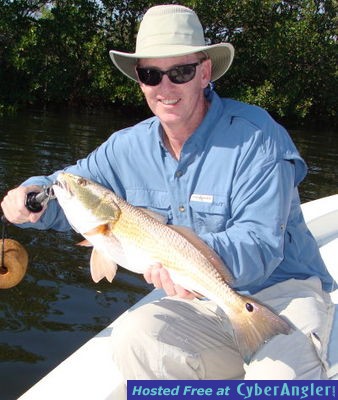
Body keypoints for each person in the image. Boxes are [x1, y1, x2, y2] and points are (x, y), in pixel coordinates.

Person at [1, 3, 336, 388]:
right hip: (199, 301)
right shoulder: (126, 147)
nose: (165, 87)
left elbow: (259, 246)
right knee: (136, 338)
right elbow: (67, 185)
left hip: (282, 292)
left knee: (282, 383)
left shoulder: (258, 138)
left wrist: (190, 264)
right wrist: (31, 195)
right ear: (140, 80)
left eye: (180, 72)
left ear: (204, 72)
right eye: (151, 74)